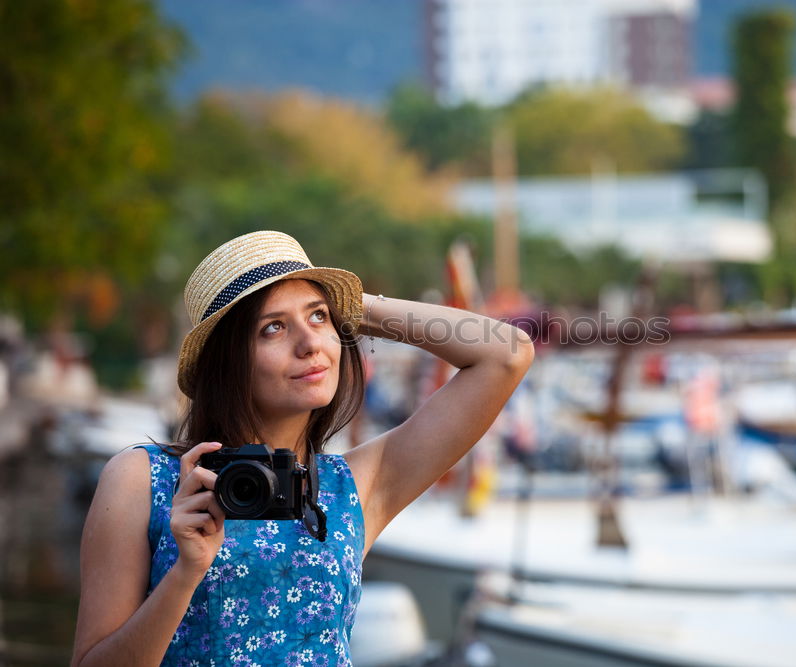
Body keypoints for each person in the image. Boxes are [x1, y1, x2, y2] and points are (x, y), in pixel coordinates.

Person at [70, 231, 534, 666]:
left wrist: (351, 305)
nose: (310, 343)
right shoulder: (142, 480)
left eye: (318, 317)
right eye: (273, 328)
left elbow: (507, 353)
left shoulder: (355, 486)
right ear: (229, 361)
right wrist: (185, 573)